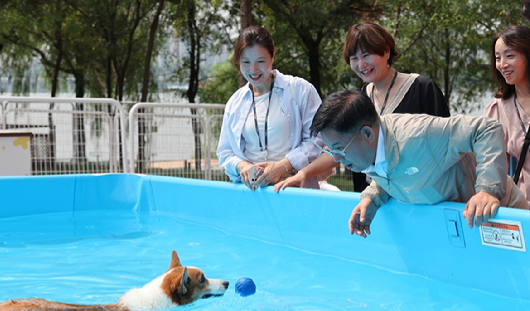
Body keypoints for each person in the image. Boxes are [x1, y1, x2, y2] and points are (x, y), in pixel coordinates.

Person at [309, 89, 528, 238]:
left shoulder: (419, 136)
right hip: (470, 223)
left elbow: (485, 129)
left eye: (340, 148)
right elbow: (394, 170)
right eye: (330, 150)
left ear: (367, 133)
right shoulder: (371, 148)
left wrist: (488, 190)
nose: (336, 158)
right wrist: (373, 198)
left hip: (504, 214)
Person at [274, 21, 449, 193]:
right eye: (354, 58)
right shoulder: (358, 99)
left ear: (386, 51)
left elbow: (446, 145)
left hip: (419, 195)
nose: (361, 64)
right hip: (369, 199)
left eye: (366, 55)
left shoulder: (422, 89)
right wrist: (304, 173)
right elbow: (337, 150)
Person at [217, 26, 324, 190]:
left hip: (294, 188)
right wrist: (242, 166)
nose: (253, 70)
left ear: (273, 55)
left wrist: (283, 166)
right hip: (253, 193)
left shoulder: (300, 90)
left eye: (260, 61)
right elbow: (225, 152)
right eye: (246, 62)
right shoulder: (235, 102)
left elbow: (318, 141)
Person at [484, 25, 530, 206]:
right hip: (525, 211)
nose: (502, 64)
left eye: (510, 56)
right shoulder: (497, 110)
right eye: (497, 58)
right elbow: (492, 169)